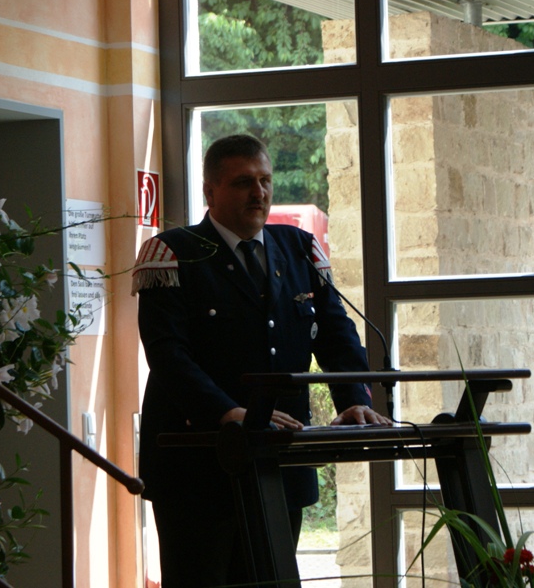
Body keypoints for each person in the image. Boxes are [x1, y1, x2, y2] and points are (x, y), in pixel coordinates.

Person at [132, 134, 391, 587]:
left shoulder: (299, 248)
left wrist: (354, 398)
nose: (259, 192)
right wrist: (227, 412)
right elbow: (168, 355)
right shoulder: (173, 253)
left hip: (278, 462)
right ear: (210, 191)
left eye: (265, 180)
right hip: (198, 468)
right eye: (243, 182)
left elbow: (335, 334)